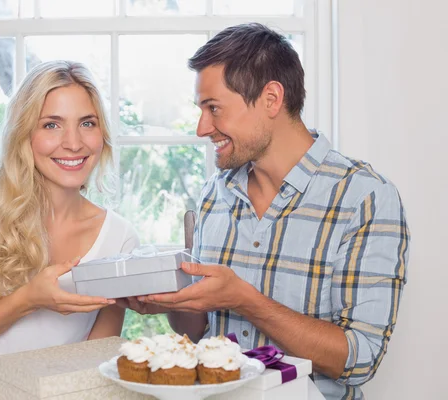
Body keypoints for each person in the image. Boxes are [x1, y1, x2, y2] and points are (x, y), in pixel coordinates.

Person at [119, 24, 410, 399]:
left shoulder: (365, 197)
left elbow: (359, 358)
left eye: (214, 108)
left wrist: (245, 300)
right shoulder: (214, 195)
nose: (201, 128)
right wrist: (169, 299)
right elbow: (200, 332)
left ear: (271, 98)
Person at [0, 61, 139, 374]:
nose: (73, 143)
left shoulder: (119, 237)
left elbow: (94, 363)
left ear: (102, 135)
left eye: (88, 123)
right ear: (25, 134)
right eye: (51, 124)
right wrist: (28, 299)